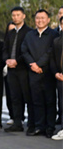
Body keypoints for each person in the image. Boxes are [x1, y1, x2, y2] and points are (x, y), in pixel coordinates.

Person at [21, 9, 58, 138]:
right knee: (36, 101)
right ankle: (39, 126)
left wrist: (39, 64)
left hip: (48, 72)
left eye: (43, 18)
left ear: (48, 20)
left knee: (50, 100)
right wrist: (32, 64)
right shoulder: (30, 35)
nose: (40, 20)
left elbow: (51, 51)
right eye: (37, 18)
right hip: (33, 72)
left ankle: (50, 127)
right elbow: (24, 50)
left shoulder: (54, 34)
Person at [3, 7, 33, 133]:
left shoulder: (29, 32)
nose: (15, 17)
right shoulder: (10, 33)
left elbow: (28, 51)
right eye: (14, 15)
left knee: (28, 97)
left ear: (23, 16)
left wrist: (17, 61)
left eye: (18, 15)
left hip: (24, 69)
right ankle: (17, 123)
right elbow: (5, 49)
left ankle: (32, 123)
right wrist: (7, 60)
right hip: (11, 70)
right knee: (14, 97)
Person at [51, 15, 63, 140]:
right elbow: (53, 60)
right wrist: (56, 73)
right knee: (62, 103)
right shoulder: (57, 41)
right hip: (60, 77)